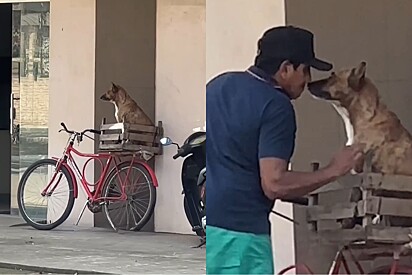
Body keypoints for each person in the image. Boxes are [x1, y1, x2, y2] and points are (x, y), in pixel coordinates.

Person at [206, 25, 364, 274]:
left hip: (210, 231)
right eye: (306, 70)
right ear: (286, 68)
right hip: (242, 238)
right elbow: (274, 183)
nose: (308, 79)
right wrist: (334, 169)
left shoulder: (217, 86)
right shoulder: (276, 105)